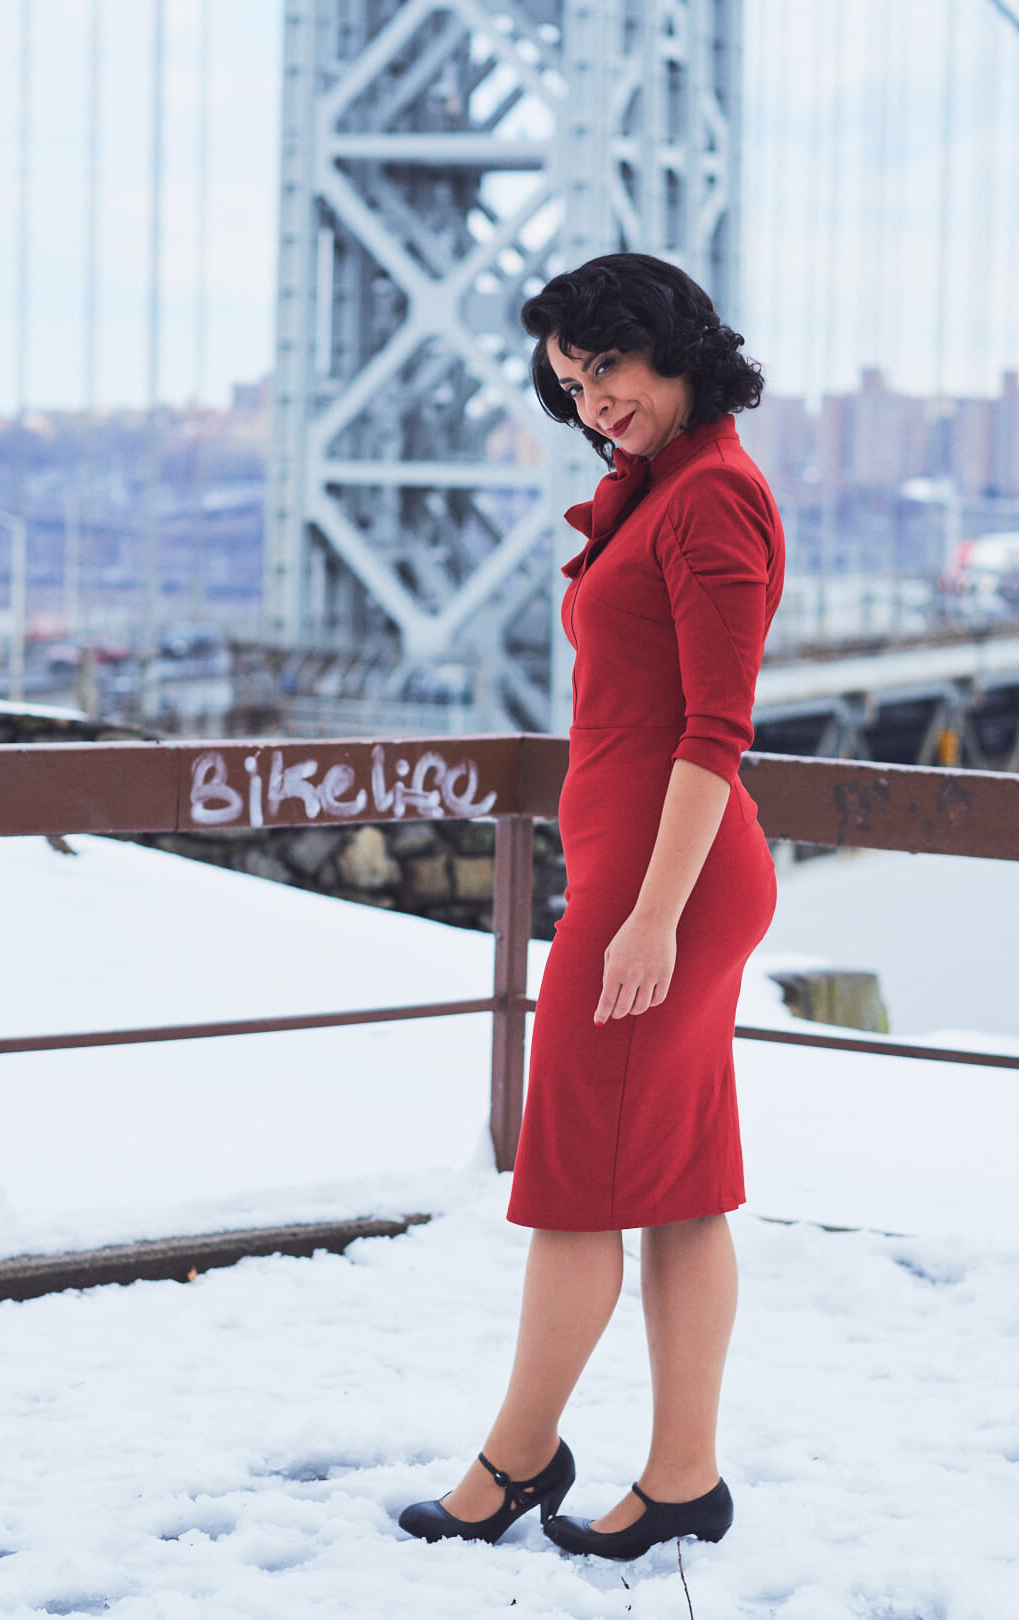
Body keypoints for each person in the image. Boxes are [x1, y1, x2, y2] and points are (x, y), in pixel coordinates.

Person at [399, 253, 786, 1561]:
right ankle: (683, 1477)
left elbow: (712, 733)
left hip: (660, 892)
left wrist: (648, 920)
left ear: (668, 346)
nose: (591, 400)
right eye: (569, 384)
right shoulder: (669, 485)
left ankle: (515, 1461)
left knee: (572, 1189)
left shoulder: (714, 500)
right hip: (651, 882)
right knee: (675, 1186)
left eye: (605, 367)